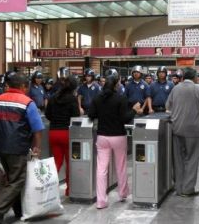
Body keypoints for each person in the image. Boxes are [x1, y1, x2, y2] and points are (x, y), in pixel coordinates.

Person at [0, 72, 44, 223]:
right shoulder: (27, 102)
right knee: (18, 180)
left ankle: (19, 210)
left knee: (11, 179)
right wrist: (36, 147)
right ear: (23, 86)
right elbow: (37, 129)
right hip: (18, 147)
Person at [88, 70, 141, 209]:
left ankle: (101, 201)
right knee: (121, 166)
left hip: (102, 137)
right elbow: (125, 118)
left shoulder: (97, 98)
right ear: (116, 85)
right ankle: (122, 193)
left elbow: (91, 114)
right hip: (118, 136)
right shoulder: (120, 98)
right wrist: (135, 110)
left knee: (101, 169)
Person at [166, 67, 199, 197]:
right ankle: (188, 190)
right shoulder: (198, 88)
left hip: (176, 129)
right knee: (192, 159)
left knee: (178, 159)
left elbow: (168, 106)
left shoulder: (175, 88)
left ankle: (179, 188)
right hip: (193, 130)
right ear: (194, 77)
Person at [45, 76, 80, 196]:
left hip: (53, 133)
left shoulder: (53, 97)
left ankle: (48, 190)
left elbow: (48, 114)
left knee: (56, 162)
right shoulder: (72, 99)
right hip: (67, 134)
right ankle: (69, 190)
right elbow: (75, 116)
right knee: (69, 163)